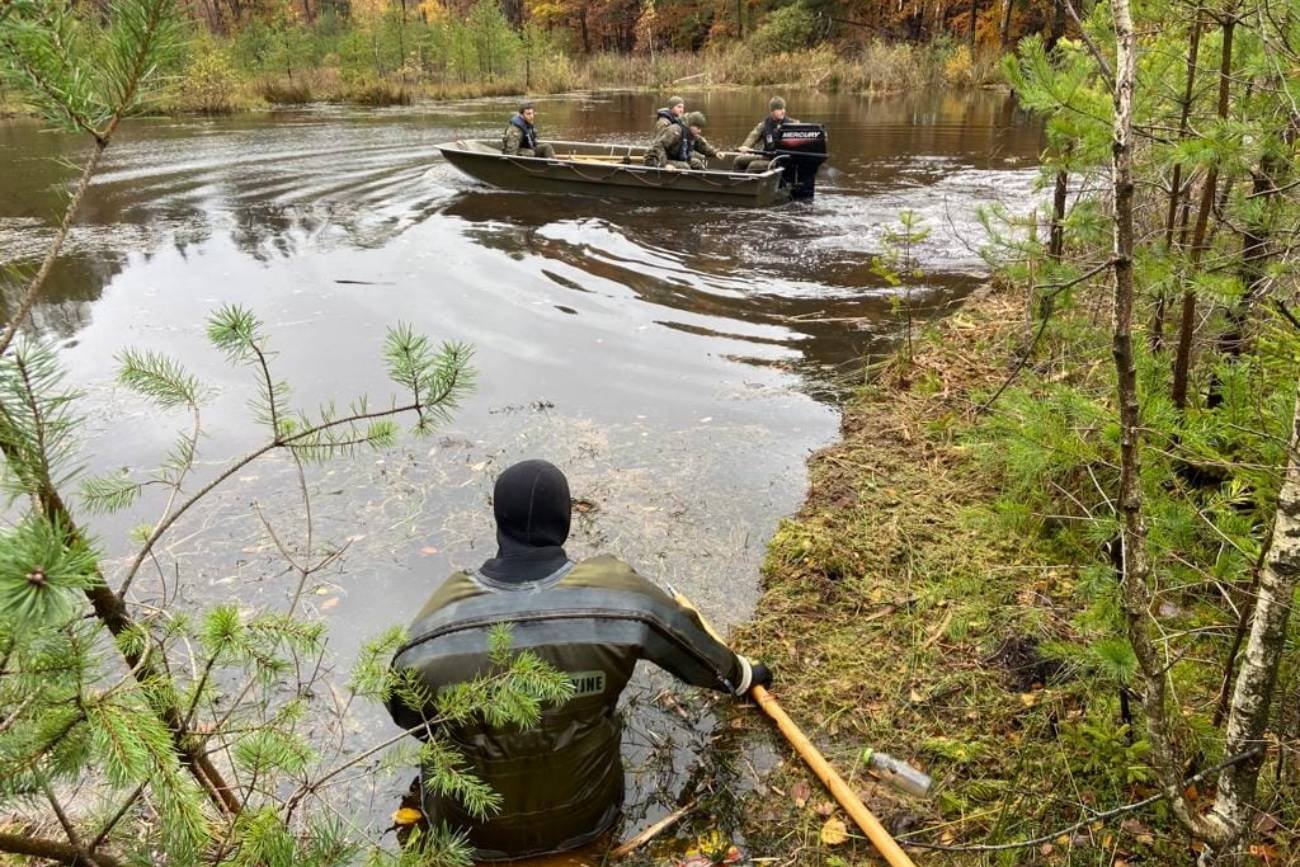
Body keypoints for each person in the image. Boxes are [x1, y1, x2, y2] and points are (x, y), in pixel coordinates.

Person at [387, 459, 772, 862]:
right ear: (565, 521)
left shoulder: (433, 628)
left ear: (499, 522)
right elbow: (699, 657)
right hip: (588, 818)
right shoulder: (620, 597)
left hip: (469, 835)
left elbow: (408, 718)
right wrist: (745, 676)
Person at [735, 96, 800, 173]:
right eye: (779, 109)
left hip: (782, 159)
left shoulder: (793, 124)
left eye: (783, 108)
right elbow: (753, 136)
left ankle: (748, 184)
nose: (783, 111)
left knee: (754, 165)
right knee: (738, 160)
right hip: (767, 157)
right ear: (772, 111)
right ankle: (735, 181)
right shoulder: (764, 125)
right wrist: (745, 146)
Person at [644, 110, 721, 171]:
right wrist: (665, 165)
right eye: (698, 128)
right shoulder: (675, 130)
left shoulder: (690, 133)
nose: (699, 131)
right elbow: (659, 145)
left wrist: (715, 153)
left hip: (672, 158)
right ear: (691, 125)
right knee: (685, 167)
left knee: (697, 163)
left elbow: (701, 145)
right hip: (656, 159)